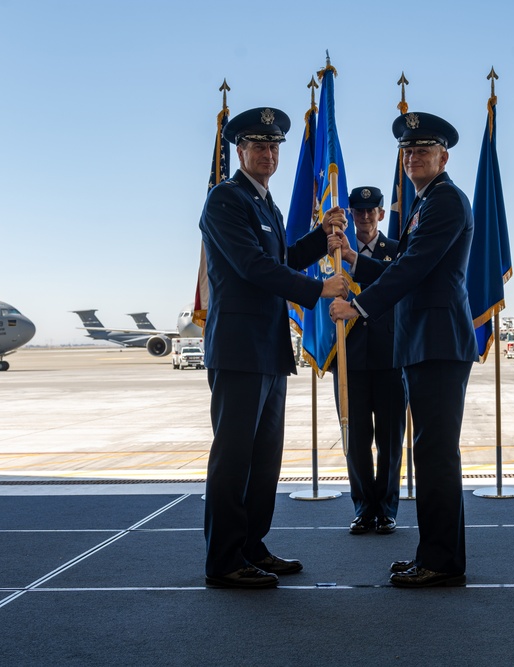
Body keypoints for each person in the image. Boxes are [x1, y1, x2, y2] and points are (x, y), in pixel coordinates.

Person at [199, 106, 349, 589]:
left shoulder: (267, 205)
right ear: (239, 150)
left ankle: (252, 546)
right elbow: (251, 267)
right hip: (239, 349)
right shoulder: (226, 199)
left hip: (268, 348)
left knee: (264, 460)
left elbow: (279, 257)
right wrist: (317, 290)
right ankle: (224, 559)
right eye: (258, 145)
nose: (267, 153)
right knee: (234, 458)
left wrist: (322, 238)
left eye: (274, 147)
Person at [330, 112, 478, 588]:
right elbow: (406, 269)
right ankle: (435, 554)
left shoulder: (446, 201)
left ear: (444, 156)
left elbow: (413, 265)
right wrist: (359, 270)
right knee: (430, 452)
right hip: (423, 342)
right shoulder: (424, 203)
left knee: (434, 454)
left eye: (423, 149)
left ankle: (441, 561)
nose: (413, 156)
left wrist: (359, 305)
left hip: (436, 342)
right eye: (408, 151)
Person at [331, 186, 406, 536]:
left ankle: (387, 509)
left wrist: (353, 260)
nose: (364, 217)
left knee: (390, 440)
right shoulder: (330, 257)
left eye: (370, 211)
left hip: (390, 358)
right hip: (349, 360)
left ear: (380, 213)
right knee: (356, 440)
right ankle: (363, 508)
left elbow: (395, 283)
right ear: (351, 214)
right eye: (357, 211)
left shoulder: (397, 251)